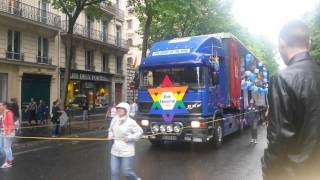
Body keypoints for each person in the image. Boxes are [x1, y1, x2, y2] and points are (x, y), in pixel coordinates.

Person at [261, 20, 320, 180]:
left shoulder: (283, 79)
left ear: (281, 43)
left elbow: (279, 137)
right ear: (308, 43)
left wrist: (268, 170)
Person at [108, 102, 143, 180]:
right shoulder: (114, 119)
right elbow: (110, 130)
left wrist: (130, 137)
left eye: (121, 109)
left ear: (126, 110)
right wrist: (110, 135)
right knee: (114, 172)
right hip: (115, 150)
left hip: (127, 151)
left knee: (126, 172)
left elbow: (140, 132)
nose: (119, 110)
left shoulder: (131, 122)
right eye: (118, 108)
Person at [0, 101, 15, 168]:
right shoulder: (3, 113)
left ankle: (8, 162)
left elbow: (11, 123)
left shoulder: (9, 113)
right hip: (3, 132)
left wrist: (8, 132)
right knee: (2, 147)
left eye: (0, 105)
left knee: (7, 147)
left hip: (9, 133)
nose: (0, 107)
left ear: (5, 106)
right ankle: (9, 157)